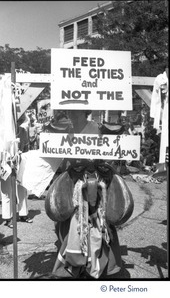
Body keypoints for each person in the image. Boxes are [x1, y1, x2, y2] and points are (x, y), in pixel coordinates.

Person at [51, 110, 123, 279]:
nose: (70, 113)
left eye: (74, 111)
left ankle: (98, 266)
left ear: (84, 112)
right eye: (69, 111)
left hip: (95, 184)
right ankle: (73, 265)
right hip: (72, 184)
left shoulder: (98, 129)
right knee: (69, 226)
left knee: (99, 225)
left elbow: (110, 155)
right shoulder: (66, 130)